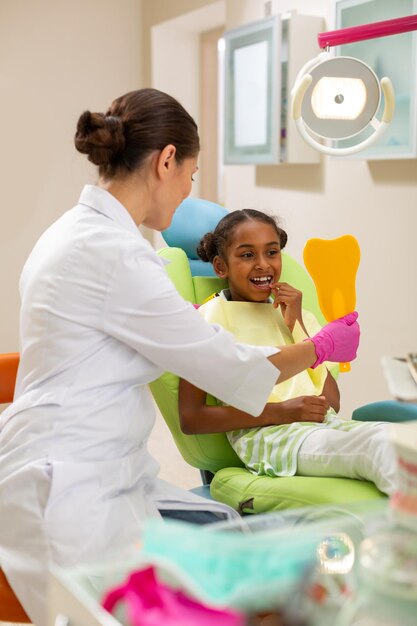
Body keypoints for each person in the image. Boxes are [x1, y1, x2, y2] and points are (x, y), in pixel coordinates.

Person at [0, 88, 359, 626]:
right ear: (167, 160)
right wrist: (319, 347)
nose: (190, 190)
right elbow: (230, 367)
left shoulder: (73, 232)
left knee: (224, 533)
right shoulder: (118, 257)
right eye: (191, 174)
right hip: (72, 487)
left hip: (88, 461)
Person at [179, 209, 397, 495]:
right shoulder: (207, 320)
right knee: (379, 449)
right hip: (269, 439)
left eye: (272, 252)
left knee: (402, 441)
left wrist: (296, 325)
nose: (262, 265)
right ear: (221, 266)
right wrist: (280, 412)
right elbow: (192, 418)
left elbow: (331, 400)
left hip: (322, 428)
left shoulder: (293, 315)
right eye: (247, 255)